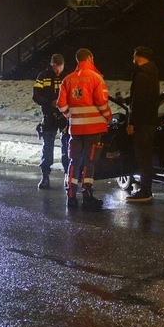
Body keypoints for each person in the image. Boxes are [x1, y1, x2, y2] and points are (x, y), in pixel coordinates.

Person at [57, 48, 112, 211]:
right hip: (93, 129)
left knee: (73, 161)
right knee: (89, 162)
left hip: (75, 129)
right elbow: (102, 103)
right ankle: (87, 195)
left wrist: (70, 116)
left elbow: (61, 104)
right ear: (89, 58)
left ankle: (71, 196)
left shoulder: (68, 79)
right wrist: (108, 117)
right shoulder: (96, 78)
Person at [125, 46, 160, 203]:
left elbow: (138, 102)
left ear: (138, 58)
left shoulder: (141, 75)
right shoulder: (153, 73)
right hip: (150, 120)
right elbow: (147, 98)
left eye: (134, 57)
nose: (133, 60)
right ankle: (145, 185)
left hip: (142, 123)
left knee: (143, 157)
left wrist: (132, 123)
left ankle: (145, 190)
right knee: (146, 156)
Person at [32, 53, 70, 189]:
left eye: (59, 68)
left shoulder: (68, 76)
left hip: (65, 116)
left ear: (63, 65)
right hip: (49, 116)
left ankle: (68, 175)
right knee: (47, 146)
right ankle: (45, 176)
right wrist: (49, 103)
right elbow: (35, 95)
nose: (57, 71)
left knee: (67, 146)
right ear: (51, 65)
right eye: (55, 68)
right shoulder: (43, 76)